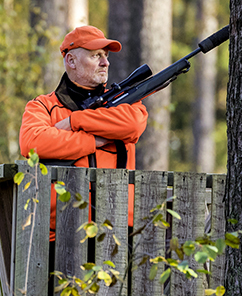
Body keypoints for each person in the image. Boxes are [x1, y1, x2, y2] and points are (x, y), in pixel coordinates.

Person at [19, 25, 148, 237]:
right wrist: (94, 141)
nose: (105, 62)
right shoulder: (42, 105)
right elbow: (32, 143)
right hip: (59, 233)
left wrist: (75, 120)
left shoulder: (122, 101)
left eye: (105, 56)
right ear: (71, 61)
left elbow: (133, 125)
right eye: (96, 55)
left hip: (119, 232)